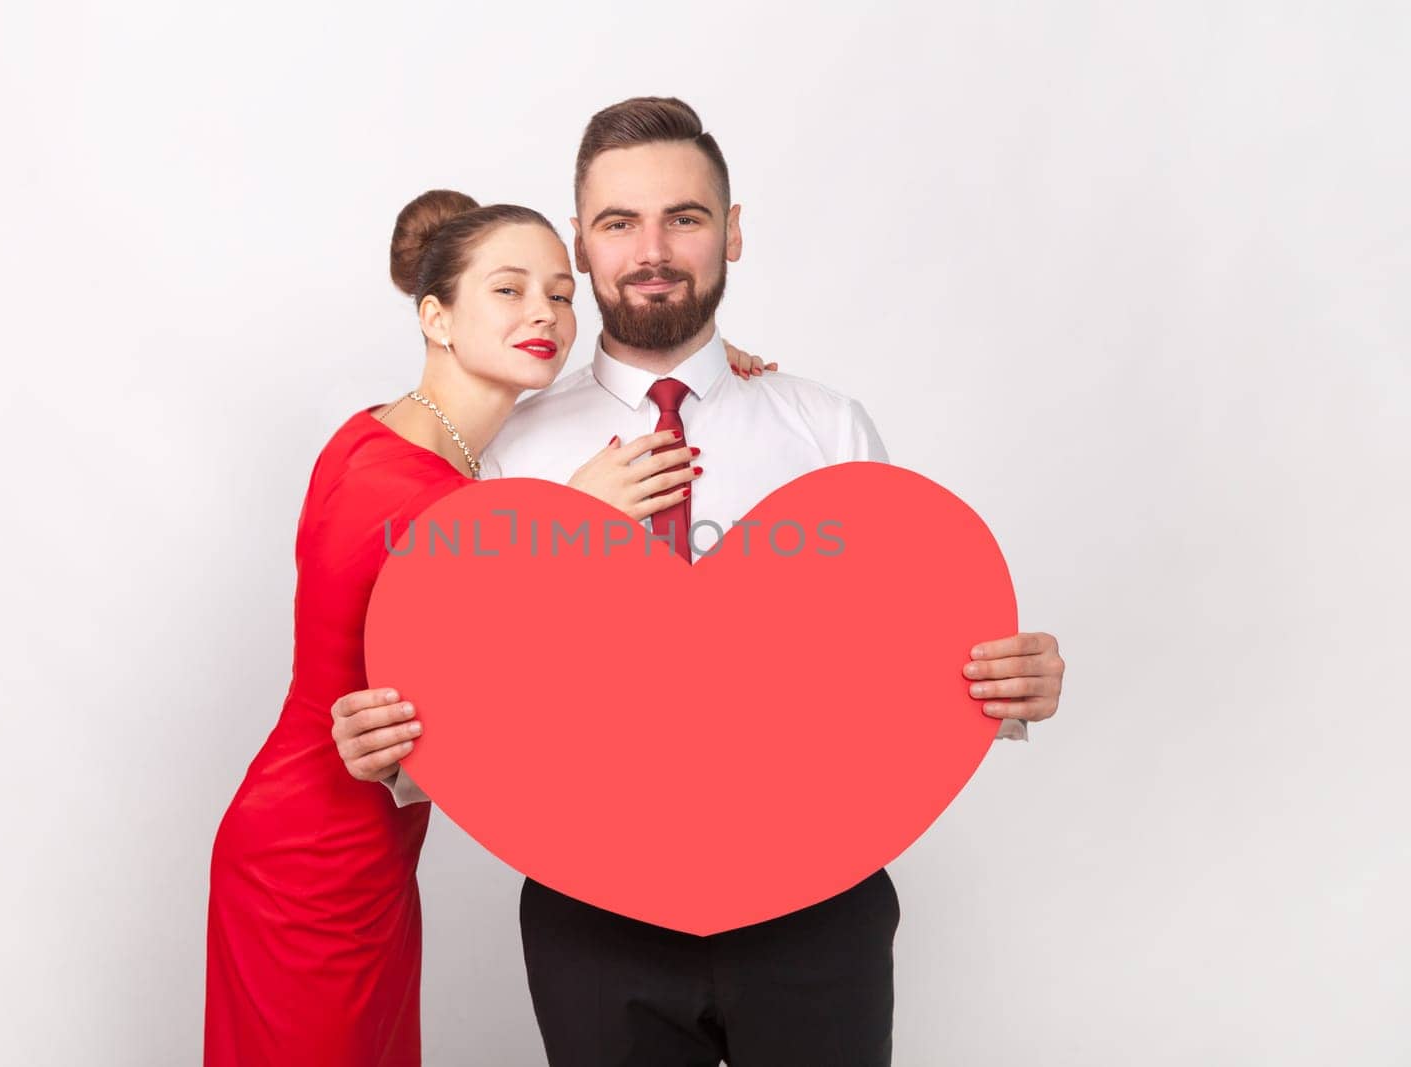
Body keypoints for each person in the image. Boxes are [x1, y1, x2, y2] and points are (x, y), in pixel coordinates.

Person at [332, 97, 1067, 1066]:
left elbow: (904, 645)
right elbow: (470, 673)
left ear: (731, 231)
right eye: (616, 222)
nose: (652, 248)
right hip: (591, 906)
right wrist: (391, 749)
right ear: (581, 248)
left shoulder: (826, 428)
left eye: (683, 217)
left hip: (817, 902)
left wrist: (1009, 688)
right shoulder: (507, 454)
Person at [204, 187, 777, 1065]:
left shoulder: (382, 438)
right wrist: (572, 519)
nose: (543, 312)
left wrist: (700, 368)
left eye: (559, 292)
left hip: (358, 851)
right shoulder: (411, 498)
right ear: (436, 317)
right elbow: (489, 674)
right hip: (310, 861)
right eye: (507, 291)